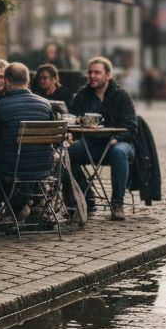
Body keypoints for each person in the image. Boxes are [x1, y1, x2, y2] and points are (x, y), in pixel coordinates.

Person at [68, 56, 138, 221]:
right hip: (91, 144)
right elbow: (74, 120)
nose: (92, 76)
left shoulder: (121, 96)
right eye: (90, 72)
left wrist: (117, 138)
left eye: (97, 72)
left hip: (119, 143)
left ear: (108, 75)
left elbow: (131, 127)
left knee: (119, 152)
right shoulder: (82, 95)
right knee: (66, 154)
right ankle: (87, 195)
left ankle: (117, 203)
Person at [0, 63, 56, 220]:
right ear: (28, 80)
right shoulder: (46, 104)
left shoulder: (0, 106)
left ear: (8, 82)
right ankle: (19, 205)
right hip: (43, 166)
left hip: (11, 167)